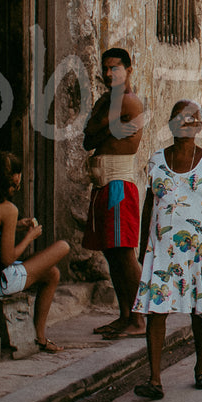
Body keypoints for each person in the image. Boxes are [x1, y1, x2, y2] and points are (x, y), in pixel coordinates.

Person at [132, 101, 202, 400]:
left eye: (192, 119)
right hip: (163, 249)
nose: (185, 123)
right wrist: (143, 248)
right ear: (170, 124)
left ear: (199, 126)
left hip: (200, 250)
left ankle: (201, 368)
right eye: (179, 118)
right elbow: (149, 204)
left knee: (201, 308)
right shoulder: (156, 161)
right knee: (156, 309)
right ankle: (154, 380)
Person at [0, 151, 70, 353]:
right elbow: (7, 258)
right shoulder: (8, 209)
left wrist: (15, 226)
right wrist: (29, 237)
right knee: (63, 247)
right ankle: (40, 338)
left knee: (52, 274)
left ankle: (40, 338)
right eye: (16, 173)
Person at [81, 47, 147, 340]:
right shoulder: (108, 101)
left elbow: (95, 128)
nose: (109, 74)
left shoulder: (128, 101)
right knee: (111, 252)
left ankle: (138, 318)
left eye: (116, 68)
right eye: (106, 69)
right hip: (103, 184)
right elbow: (88, 137)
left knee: (123, 253)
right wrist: (110, 129)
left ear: (129, 70)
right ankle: (124, 315)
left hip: (119, 184)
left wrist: (103, 128)